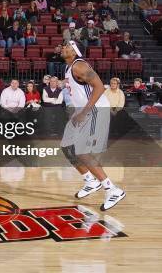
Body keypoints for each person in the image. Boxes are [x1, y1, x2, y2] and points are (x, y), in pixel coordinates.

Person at [61, 40, 125, 210]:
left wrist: (84, 113)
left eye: (68, 46)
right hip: (82, 110)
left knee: (83, 151)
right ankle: (90, 181)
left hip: (94, 110)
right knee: (67, 147)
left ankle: (112, 190)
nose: (63, 47)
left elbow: (99, 87)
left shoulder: (79, 66)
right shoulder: (68, 67)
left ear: (75, 52)